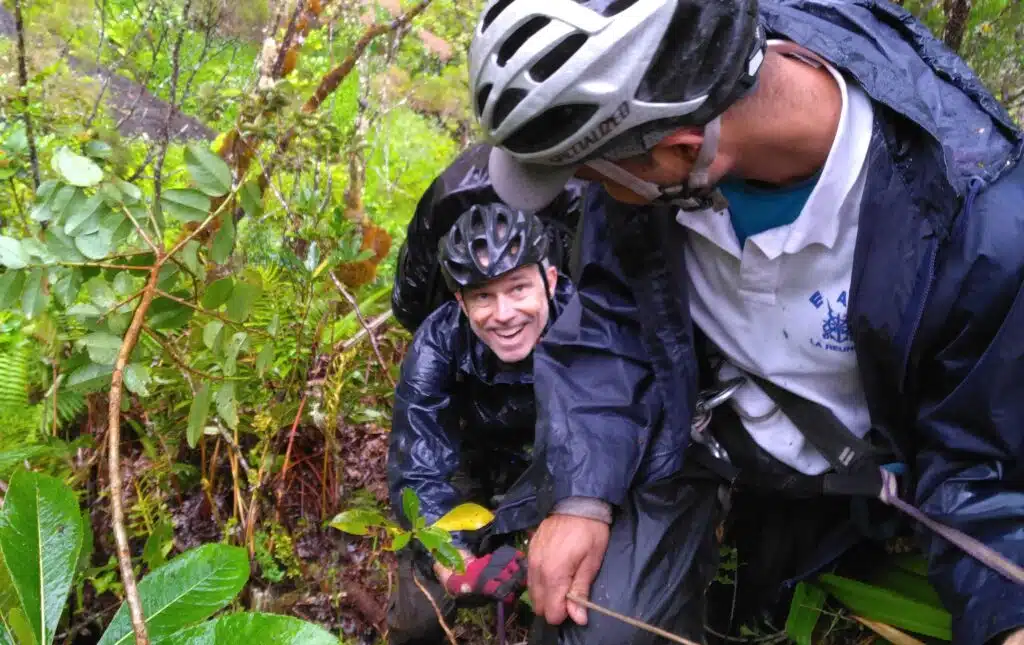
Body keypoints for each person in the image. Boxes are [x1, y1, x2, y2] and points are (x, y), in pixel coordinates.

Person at [466, 0, 1024, 644]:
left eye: (590, 177)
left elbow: (982, 456)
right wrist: (582, 495)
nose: (594, 193)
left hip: (861, 478)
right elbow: (612, 318)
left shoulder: (974, 225)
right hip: (701, 432)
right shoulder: (665, 111)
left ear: (680, 152)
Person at [385, 203, 576, 645]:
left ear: (548, 282)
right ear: (461, 302)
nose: (504, 313)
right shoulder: (439, 340)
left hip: (567, 465)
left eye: (518, 289)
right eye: (483, 296)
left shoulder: (588, 324)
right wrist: (458, 572)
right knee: (418, 625)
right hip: (475, 463)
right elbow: (419, 461)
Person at [390, 142, 587, 333]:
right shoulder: (448, 201)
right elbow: (414, 295)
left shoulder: (576, 194)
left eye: (517, 288)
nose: (504, 314)